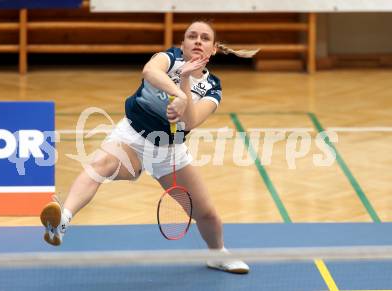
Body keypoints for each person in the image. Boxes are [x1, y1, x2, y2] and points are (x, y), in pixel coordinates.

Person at [40, 20, 257, 274]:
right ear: (182, 44)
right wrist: (180, 93)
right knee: (100, 165)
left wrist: (185, 83)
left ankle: (217, 253)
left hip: (169, 152)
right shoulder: (170, 58)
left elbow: (191, 121)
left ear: (213, 49)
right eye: (192, 36)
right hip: (132, 137)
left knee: (206, 214)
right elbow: (149, 72)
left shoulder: (212, 86)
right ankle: (62, 222)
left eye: (205, 38)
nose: (198, 40)